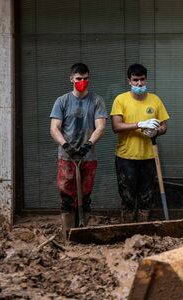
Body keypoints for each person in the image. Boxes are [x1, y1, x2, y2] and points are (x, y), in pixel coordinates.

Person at [50, 63, 107, 238]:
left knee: (85, 196)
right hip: (67, 158)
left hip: (87, 157)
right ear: (71, 79)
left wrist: (88, 144)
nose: (82, 81)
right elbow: (54, 127)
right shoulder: (62, 101)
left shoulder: (96, 101)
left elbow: (100, 126)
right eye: (78, 79)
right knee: (67, 197)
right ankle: (68, 234)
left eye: (85, 78)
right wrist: (65, 145)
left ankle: (83, 231)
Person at [111, 63, 169, 223]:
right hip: (126, 157)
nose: (139, 84)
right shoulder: (120, 100)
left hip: (149, 156)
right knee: (127, 197)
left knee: (146, 197)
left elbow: (164, 126)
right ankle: (128, 228)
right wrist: (140, 124)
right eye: (135, 80)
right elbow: (116, 126)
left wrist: (157, 131)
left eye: (142, 80)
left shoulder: (155, 100)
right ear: (129, 80)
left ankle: (143, 229)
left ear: (146, 79)